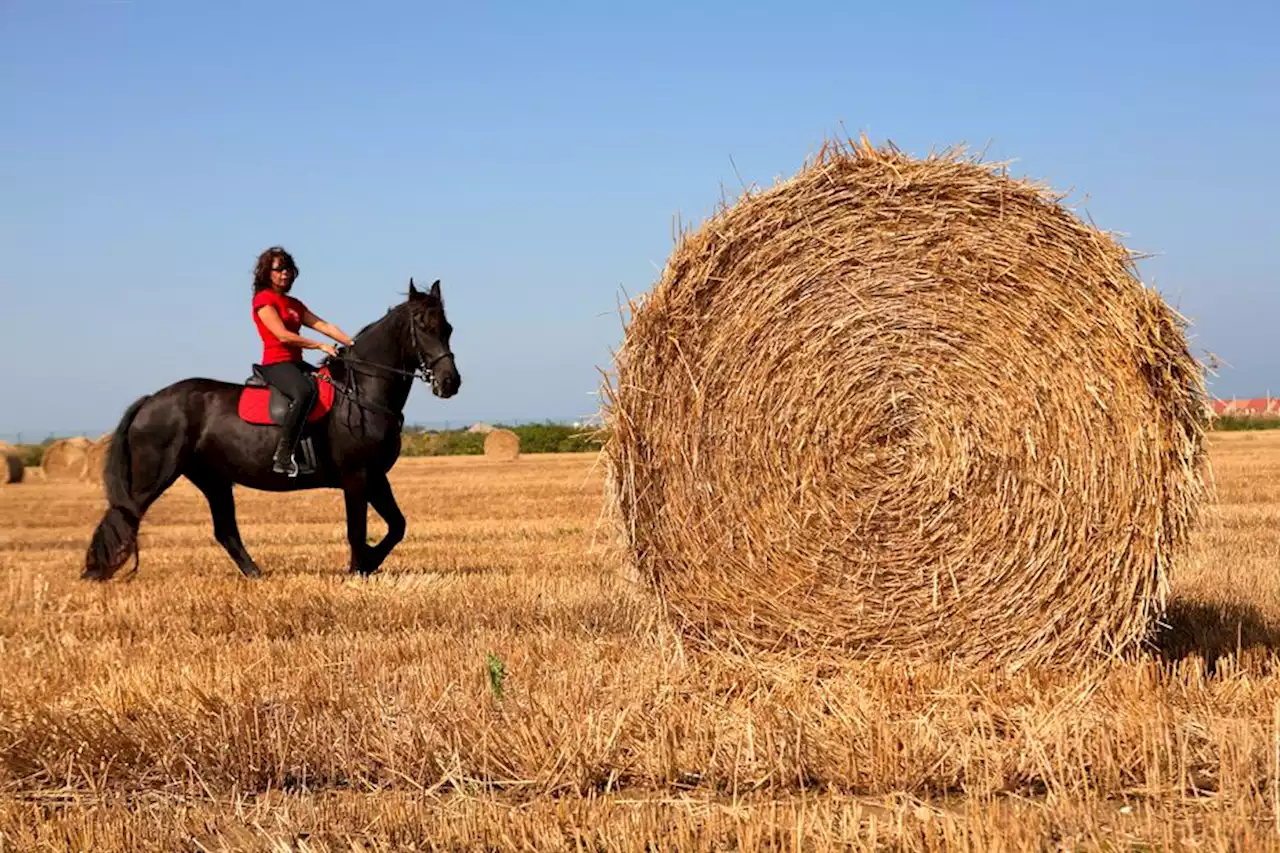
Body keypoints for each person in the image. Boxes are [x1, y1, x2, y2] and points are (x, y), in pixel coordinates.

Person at [250, 246, 354, 475]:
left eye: (288, 268)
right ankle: (283, 455)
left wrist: (352, 344)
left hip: (296, 363)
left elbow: (324, 326)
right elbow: (282, 335)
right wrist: (319, 345)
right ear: (267, 272)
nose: (285, 273)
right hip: (276, 364)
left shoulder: (294, 304)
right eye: (279, 269)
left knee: (332, 385)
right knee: (304, 392)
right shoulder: (264, 300)